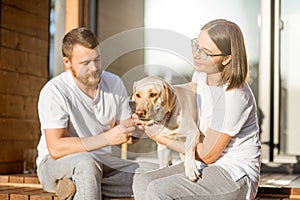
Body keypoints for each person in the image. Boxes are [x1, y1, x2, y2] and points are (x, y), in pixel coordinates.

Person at [132, 19, 261, 200]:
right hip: (204, 166)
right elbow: (179, 97)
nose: (196, 54)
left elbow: (208, 155)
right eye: (196, 45)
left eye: (206, 52)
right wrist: (152, 107)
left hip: (234, 175)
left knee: (158, 190)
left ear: (226, 58)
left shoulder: (233, 96)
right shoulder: (200, 76)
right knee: (142, 182)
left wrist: (158, 136)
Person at [36, 27, 146, 200]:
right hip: (54, 164)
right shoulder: (54, 91)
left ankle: (74, 184)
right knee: (87, 165)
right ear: (67, 62)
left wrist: (136, 131)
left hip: (102, 163)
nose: (94, 68)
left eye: (97, 59)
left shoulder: (114, 83)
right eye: (85, 63)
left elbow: (126, 130)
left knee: (151, 173)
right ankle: (76, 180)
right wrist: (108, 138)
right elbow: (56, 148)